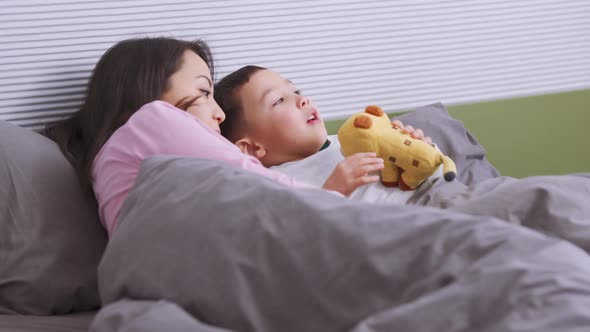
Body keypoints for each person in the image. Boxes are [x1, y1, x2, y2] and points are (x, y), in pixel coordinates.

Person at [43, 37, 323, 236]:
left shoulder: (109, 162)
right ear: (148, 90)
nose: (220, 114)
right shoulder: (152, 120)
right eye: (204, 93)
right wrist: (330, 197)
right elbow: (250, 178)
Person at [214, 65, 442, 202]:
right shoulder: (277, 186)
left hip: (437, 199)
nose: (303, 99)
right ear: (253, 148)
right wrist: (333, 192)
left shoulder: (349, 141)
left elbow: (432, 177)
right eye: (279, 100)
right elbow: (298, 235)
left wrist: (419, 151)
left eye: (295, 91)